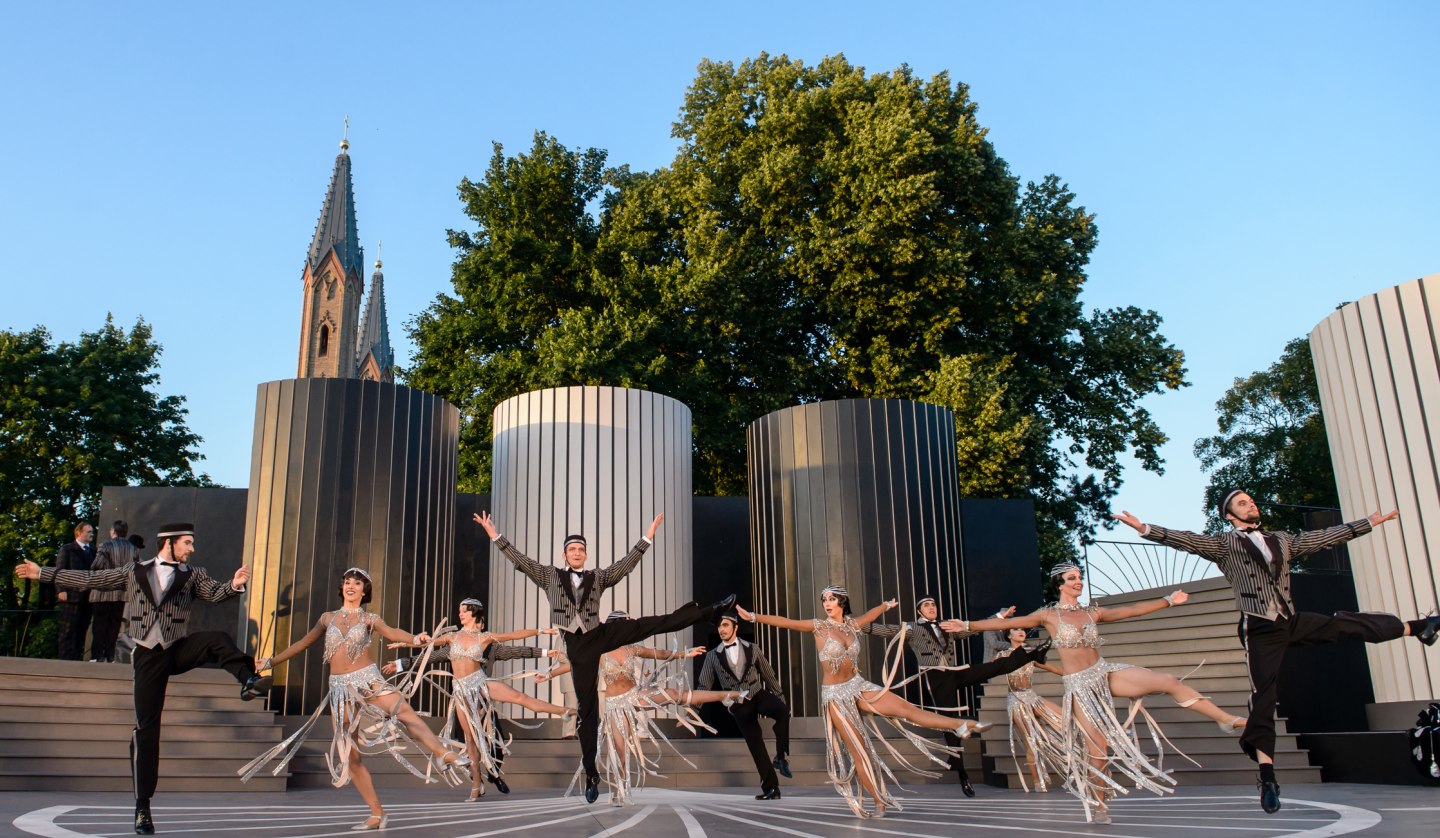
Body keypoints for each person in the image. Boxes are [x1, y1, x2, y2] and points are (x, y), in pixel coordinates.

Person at [1114, 492, 1440, 814]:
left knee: (1343, 625)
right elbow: (1185, 540)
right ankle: (1268, 778)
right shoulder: (1224, 544)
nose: (1250, 504)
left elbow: (1322, 538)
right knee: (1265, 697)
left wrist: (1367, 523)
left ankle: (1417, 627)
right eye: (1242, 503)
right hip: (1259, 629)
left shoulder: (1281, 540)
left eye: (1250, 501)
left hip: (1289, 620)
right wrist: (1145, 529)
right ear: (1229, 515)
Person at [15, 522, 269, 835]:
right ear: (170, 542)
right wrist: (44, 573)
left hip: (177, 648)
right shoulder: (133, 571)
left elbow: (216, 594)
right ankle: (142, 808)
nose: (191, 548)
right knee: (147, 730)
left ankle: (247, 681)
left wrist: (235, 584)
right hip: (148, 655)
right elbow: (90, 578)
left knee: (216, 639)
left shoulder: (193, 574)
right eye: (187, 543)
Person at [475, 510, 735, 803]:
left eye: (581, 550)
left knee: (647, 624)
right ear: (565, 555)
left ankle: (708, 612)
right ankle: (592, 775)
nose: (577, 553)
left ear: (585, 555)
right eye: (572, 549)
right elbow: (521, 561)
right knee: (588, 713)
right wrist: (495, 536)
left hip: (599, 633)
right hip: (577, 646)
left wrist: (647, 538)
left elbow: (623, 567)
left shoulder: (597, 577)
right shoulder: (550, 576)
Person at [954, 564, 1246, 824]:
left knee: (1168, 680)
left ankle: (1225, 720)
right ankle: (1100, 803)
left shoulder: (1093, 612)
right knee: (1097, 751)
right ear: (1060, 585)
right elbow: (1004, 624)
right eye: (1072, 578)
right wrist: (968, 626)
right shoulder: (1048, 615)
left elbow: (1129, 611)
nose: (1078, 582)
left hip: (1105, 672)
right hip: (1080, 686)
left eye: (1080, 577)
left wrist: (1168, 601)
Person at [239, 568, 470, 830]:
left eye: (356, 583)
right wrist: (270, 661)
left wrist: (415, 638)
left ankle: (442, 753)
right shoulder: (327, 618)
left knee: (403, 711)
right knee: (350, 754)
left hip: (368, 680)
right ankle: (376, 813)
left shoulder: (370, 618)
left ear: (364, 590)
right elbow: (303, 643)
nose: (350, 586)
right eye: (347, 582)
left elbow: (393, 632)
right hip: (340, 690)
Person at [737, 587, 985, 819]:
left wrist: (885, 606)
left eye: (832, 599)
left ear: (842, 602)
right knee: (860, 750)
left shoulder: (852, 625)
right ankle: (878, 800)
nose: (827, 604)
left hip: (858, 685)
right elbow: (787, 622)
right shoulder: (818, 627)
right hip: (835, 696)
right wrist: (754, 617)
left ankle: (960, 724)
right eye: (824, 600)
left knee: (906, 709)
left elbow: (870, 615)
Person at [539, 610, 744, 806]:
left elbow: (659, 653)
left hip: (635, 696)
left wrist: (683, 654)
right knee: (620, 750)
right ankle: (619, 790)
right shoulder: (599, 652)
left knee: (674, 695)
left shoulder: (632, 649)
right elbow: (573, 665)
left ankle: (728, 694)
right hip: (615, 706)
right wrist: (549, 674)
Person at [385, 598, 571, 801]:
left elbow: (513, 638)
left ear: (474, 613)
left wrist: (541, 631)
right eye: (459, 611)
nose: (460, 614)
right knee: (470, 740)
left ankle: (564, 712)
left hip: (480, 683)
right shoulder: (451, 637)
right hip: (461, 691)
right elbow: (428, 648)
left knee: (519, 697)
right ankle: (476, 784)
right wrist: (404, 647)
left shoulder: (485, 638)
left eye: (463, 611)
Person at [865, 596, 1052, 797]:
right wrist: (856, 623)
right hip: (935, 675)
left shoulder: (947, 626)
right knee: (951, 722)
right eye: (926, 605)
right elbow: (880, 630)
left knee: (991, 668)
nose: (931, 608)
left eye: (933, 604)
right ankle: (963, 774)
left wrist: (999, 617)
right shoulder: (911, 628)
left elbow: (972, 629)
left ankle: (1032, 654)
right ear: (919, 611)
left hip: (954, 672)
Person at [696, 609, 792, 800]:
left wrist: (780, 697)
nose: (722, 630)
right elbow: (703, 685)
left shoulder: (753, 648)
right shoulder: (713, 656)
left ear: (735, 627)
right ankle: (771, 789)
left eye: (725, 625)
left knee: (782, 711)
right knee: (756, 744)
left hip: (757, 693)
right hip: (738, 703)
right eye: (719, 626)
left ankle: (780, 757)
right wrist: (693, 712)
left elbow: (768, 675)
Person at [994, 627, 1066, 792]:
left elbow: (1056, 669)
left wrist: (1076, 675)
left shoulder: (1030, 655)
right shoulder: (1003, 656)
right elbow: (985, 670)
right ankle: (1038, 782)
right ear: (1009, 635)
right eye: (1016, 630)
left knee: (1065, 718)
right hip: (1016, 700)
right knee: (1032, 742)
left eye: (1022, 629)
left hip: (1032, 697)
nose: (1021, 631)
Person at [89, 520, 138, 663]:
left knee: (99, 625)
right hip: (122, 592)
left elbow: (97, 565)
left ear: (113, 531)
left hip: (103, 591)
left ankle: (97, 655)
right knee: (114, 625)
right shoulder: (133, 548)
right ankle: (110, 655)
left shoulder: (106, 545)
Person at [54, 521, 96, 660]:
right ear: (79, 533)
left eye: (92, 531)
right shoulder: (67, 549)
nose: (92, 534)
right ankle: (64, 661)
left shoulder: (93, 551)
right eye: (88, 531)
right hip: (70, 596)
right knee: (68, 630)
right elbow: (60, 570)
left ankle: (76, 661)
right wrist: (61, 589)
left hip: (87, 597)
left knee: (81, 630)